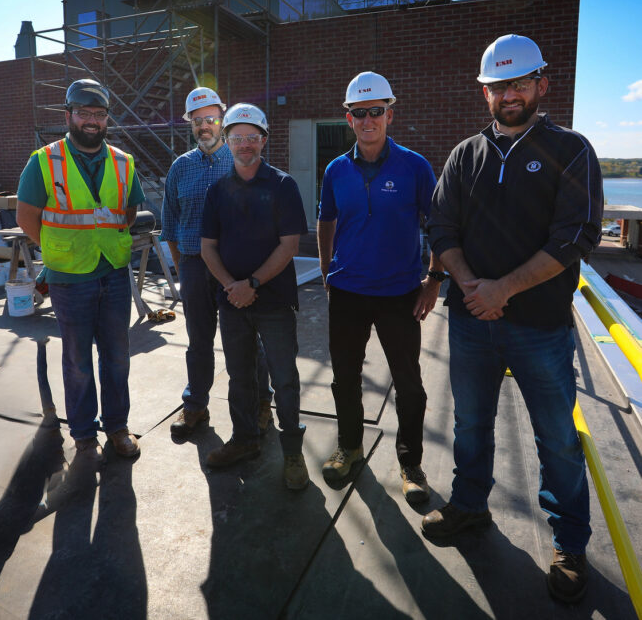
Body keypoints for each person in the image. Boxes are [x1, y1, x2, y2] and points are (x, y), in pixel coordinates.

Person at [424, 34, 603, 604]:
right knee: (470, 425)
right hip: (473, 321)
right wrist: (473, 285)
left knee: (555, 438)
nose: (508, 95)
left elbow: (574, 237)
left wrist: (502, 288)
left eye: (518, 84)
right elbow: (441, 229)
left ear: (540, 85)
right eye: (498, 86)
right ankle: (471, 507)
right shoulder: (464, 155)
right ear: (485, 91)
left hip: (540, 328)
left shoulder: (570, 149)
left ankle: (569, 543)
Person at [317, 71, 443, 502]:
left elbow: (440, 226)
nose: (368, 119)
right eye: (359, 113)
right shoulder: (336, 169)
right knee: (344, 378)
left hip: (400, 293)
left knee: (409, 383)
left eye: (376, 112)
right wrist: (325, 269)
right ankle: (350, 447)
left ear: (390, 114)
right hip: (348, 291)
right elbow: (325, 219)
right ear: (348, 118)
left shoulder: (415, 166)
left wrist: (435, 278)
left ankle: (411, 464)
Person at [16, 78, 146, 464]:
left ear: (107, 119)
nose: (92, 121)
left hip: (114, 273)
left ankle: (118, 428)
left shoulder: (124, 162)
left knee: (118, 356)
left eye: (100, 114)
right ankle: (85, 437)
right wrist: (59, 249)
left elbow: (130, 209)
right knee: (76, 361)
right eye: (85, 113)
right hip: (70, 279)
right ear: (69, 115)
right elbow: (26, 217)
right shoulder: (44, 161)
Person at [200, 103, 310, 490]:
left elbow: (289, 245)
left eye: (251, 137)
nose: (244, 144)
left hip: (274, 301)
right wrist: (233, 286)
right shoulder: (217, 191)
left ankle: (293, 452)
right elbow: (208, 247)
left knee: (285, 378)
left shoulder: (282, 186)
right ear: (226, 141)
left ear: (263, 140)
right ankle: (245, 439)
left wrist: (253, 284)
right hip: (232, 303)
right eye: (237, 138)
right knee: (240, 376)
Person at [161, 88, 273, 438]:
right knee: (198, 341)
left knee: (247, 340)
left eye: (211, 119)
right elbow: (171, 225)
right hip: (195, 266)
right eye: (197, 121)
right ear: (190, 126)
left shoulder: (241, 160)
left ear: (222, 120)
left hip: (237, 268)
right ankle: (195, 405)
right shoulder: (180, 168)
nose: (204, 126)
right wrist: (183, 269)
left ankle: (260, 404)